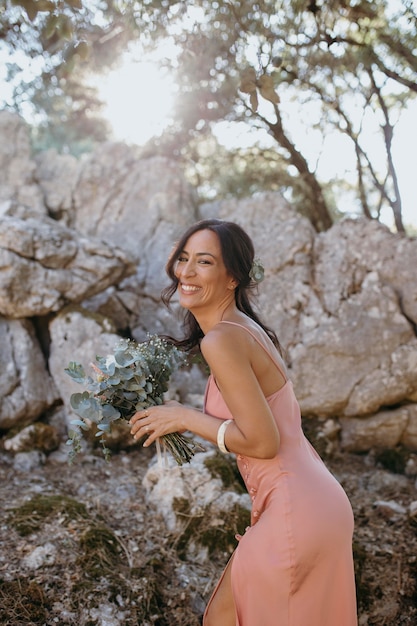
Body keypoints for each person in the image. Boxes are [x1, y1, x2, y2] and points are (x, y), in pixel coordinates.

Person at [130, 218, 358, 626]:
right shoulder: (242, 329)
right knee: (223, 616)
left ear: (232, 276)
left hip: (295, 508)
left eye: (204, 262)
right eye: (183, 258)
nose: (186, 271)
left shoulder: (221, 340)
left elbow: (263, 442)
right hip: (313, 502)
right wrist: (176, 415)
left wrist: (183, 416)